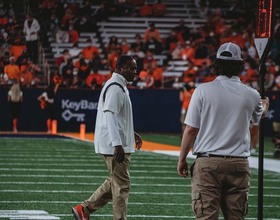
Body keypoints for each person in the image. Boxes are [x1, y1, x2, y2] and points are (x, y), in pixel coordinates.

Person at [177, 42, 269, 220]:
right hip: (239, 163)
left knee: (206, 216)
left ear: (216, 63)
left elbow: (191, 129)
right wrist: (265, 105)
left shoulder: (202, 91)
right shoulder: (252, 94)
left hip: (208, 163)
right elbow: (258, 116)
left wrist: (182, 159)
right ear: (239, 65)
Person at [72, 55, 142, 220]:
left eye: (135, 69)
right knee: (122, 186)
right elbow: (110, 115)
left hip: (115, 143)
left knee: (116, 182)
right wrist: (117, 143)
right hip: (114, 145)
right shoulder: (115, 87)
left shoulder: (119, 86)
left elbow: (117, 117)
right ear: (119, 67)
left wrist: (130, 132)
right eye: (131, 68)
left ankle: (84, 209)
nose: (134, 72)